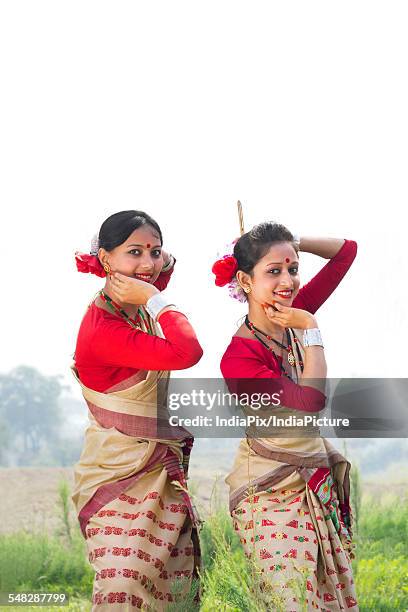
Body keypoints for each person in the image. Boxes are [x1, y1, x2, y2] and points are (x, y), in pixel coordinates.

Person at [213, 222, 359, 611]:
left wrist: (295, 242)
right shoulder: (240, 358)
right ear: (245, 280)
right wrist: (310, 328)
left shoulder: (294, 314)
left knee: (327, 601)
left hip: (312, 479)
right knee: (289, 601)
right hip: (266, 490)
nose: (288, 281)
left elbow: (347, 251)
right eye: (273, 271)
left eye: (292, 269)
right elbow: (310, 401)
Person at [72, 210, 203, 611]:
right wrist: (153, 295)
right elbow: (187, 351)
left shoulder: (132, 303)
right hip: (117, 472)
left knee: (172, 588)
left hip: (158, 472)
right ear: (107, 259)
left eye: (155, 252)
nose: (147, 264)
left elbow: (158, 273)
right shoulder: (104, 329)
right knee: (125, 584)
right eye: (134, 253)